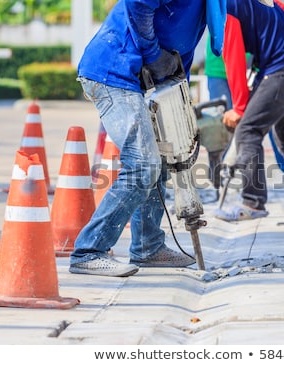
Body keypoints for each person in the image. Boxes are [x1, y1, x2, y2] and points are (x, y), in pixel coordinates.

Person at [69, 0, 226, 277]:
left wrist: (177, 100)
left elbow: (179, 51)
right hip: (113, 72)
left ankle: (148, 247)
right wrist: (153, 54)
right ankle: (88, 251)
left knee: (164, 158)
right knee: (143, 164)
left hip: (141, 79)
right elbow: (139, 3)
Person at [215, 0, 284, 222]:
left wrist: (239, 107)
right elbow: (282, 8)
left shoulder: (226, 7)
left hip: (283, 68)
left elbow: (233, 57)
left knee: (248, 130)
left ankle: (252, 203)